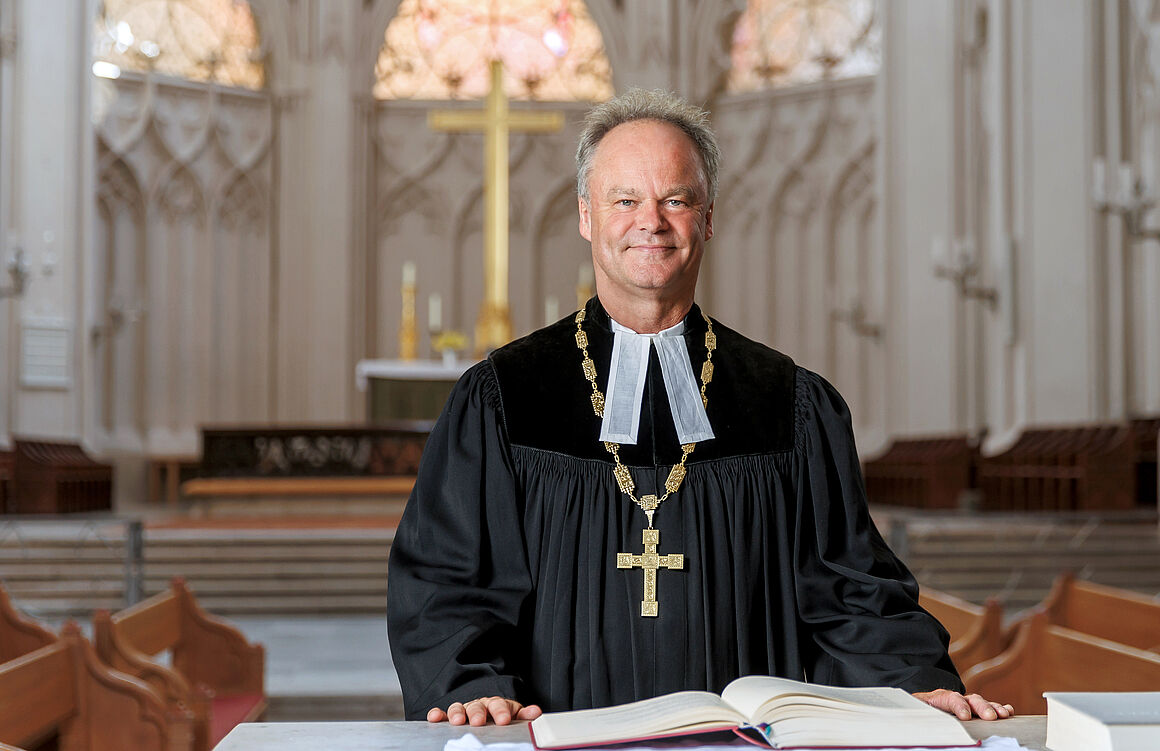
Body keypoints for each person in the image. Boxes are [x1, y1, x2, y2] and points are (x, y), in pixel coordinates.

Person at [387, 88, 1014, 728]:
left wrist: (909, 683)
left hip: (741, 739)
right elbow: (447, 577)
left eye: (675, 200)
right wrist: (470, 681)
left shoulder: (790, 403)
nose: (650, 222)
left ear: (707, 218)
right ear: (586, 216)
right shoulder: (503, 398)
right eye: (624, 200)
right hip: (556, 734)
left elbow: (847, 584)